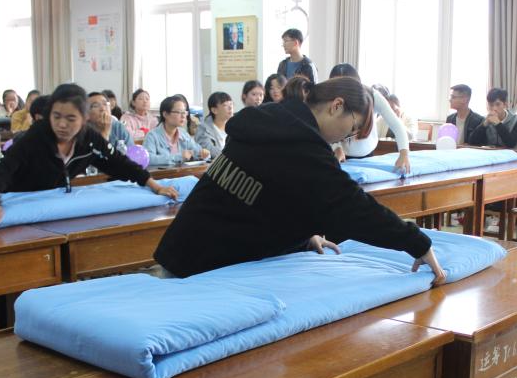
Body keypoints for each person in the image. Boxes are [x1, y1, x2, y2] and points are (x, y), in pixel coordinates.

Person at [153, 77, 445, 284]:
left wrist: (301, 237)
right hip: (202, 266)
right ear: (336, 106)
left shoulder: (273, 117)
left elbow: (266, 194)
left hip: (187, 245)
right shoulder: (302, 143)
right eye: (352, 127)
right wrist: (416, 242)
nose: (348, 137)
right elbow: (352, 207)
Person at [0, 83, 177, 229]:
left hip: (54, 206)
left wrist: (155, 186)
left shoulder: (89, 138)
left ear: (84, 119)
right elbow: (3, 170)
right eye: (56, 116)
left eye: (71, 118)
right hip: (22, 201)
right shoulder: (37, 135)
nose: (62, 124)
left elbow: (119, 162)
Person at [144, 95, 208, 166]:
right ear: (165, 114)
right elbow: (149, 159)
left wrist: (203, 154)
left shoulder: (183, 134)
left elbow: (198, 151)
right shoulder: (152, 136)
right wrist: (178, 157)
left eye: (184, 112)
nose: (183, 116)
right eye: (179, 112)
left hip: (183, 172)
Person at [195, 92, 233, 158]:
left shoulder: (234, 127)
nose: (230, 107)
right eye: (225, 105)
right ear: (214, 110)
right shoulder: (203, 129)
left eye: (231, 104)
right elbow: (210, 151)